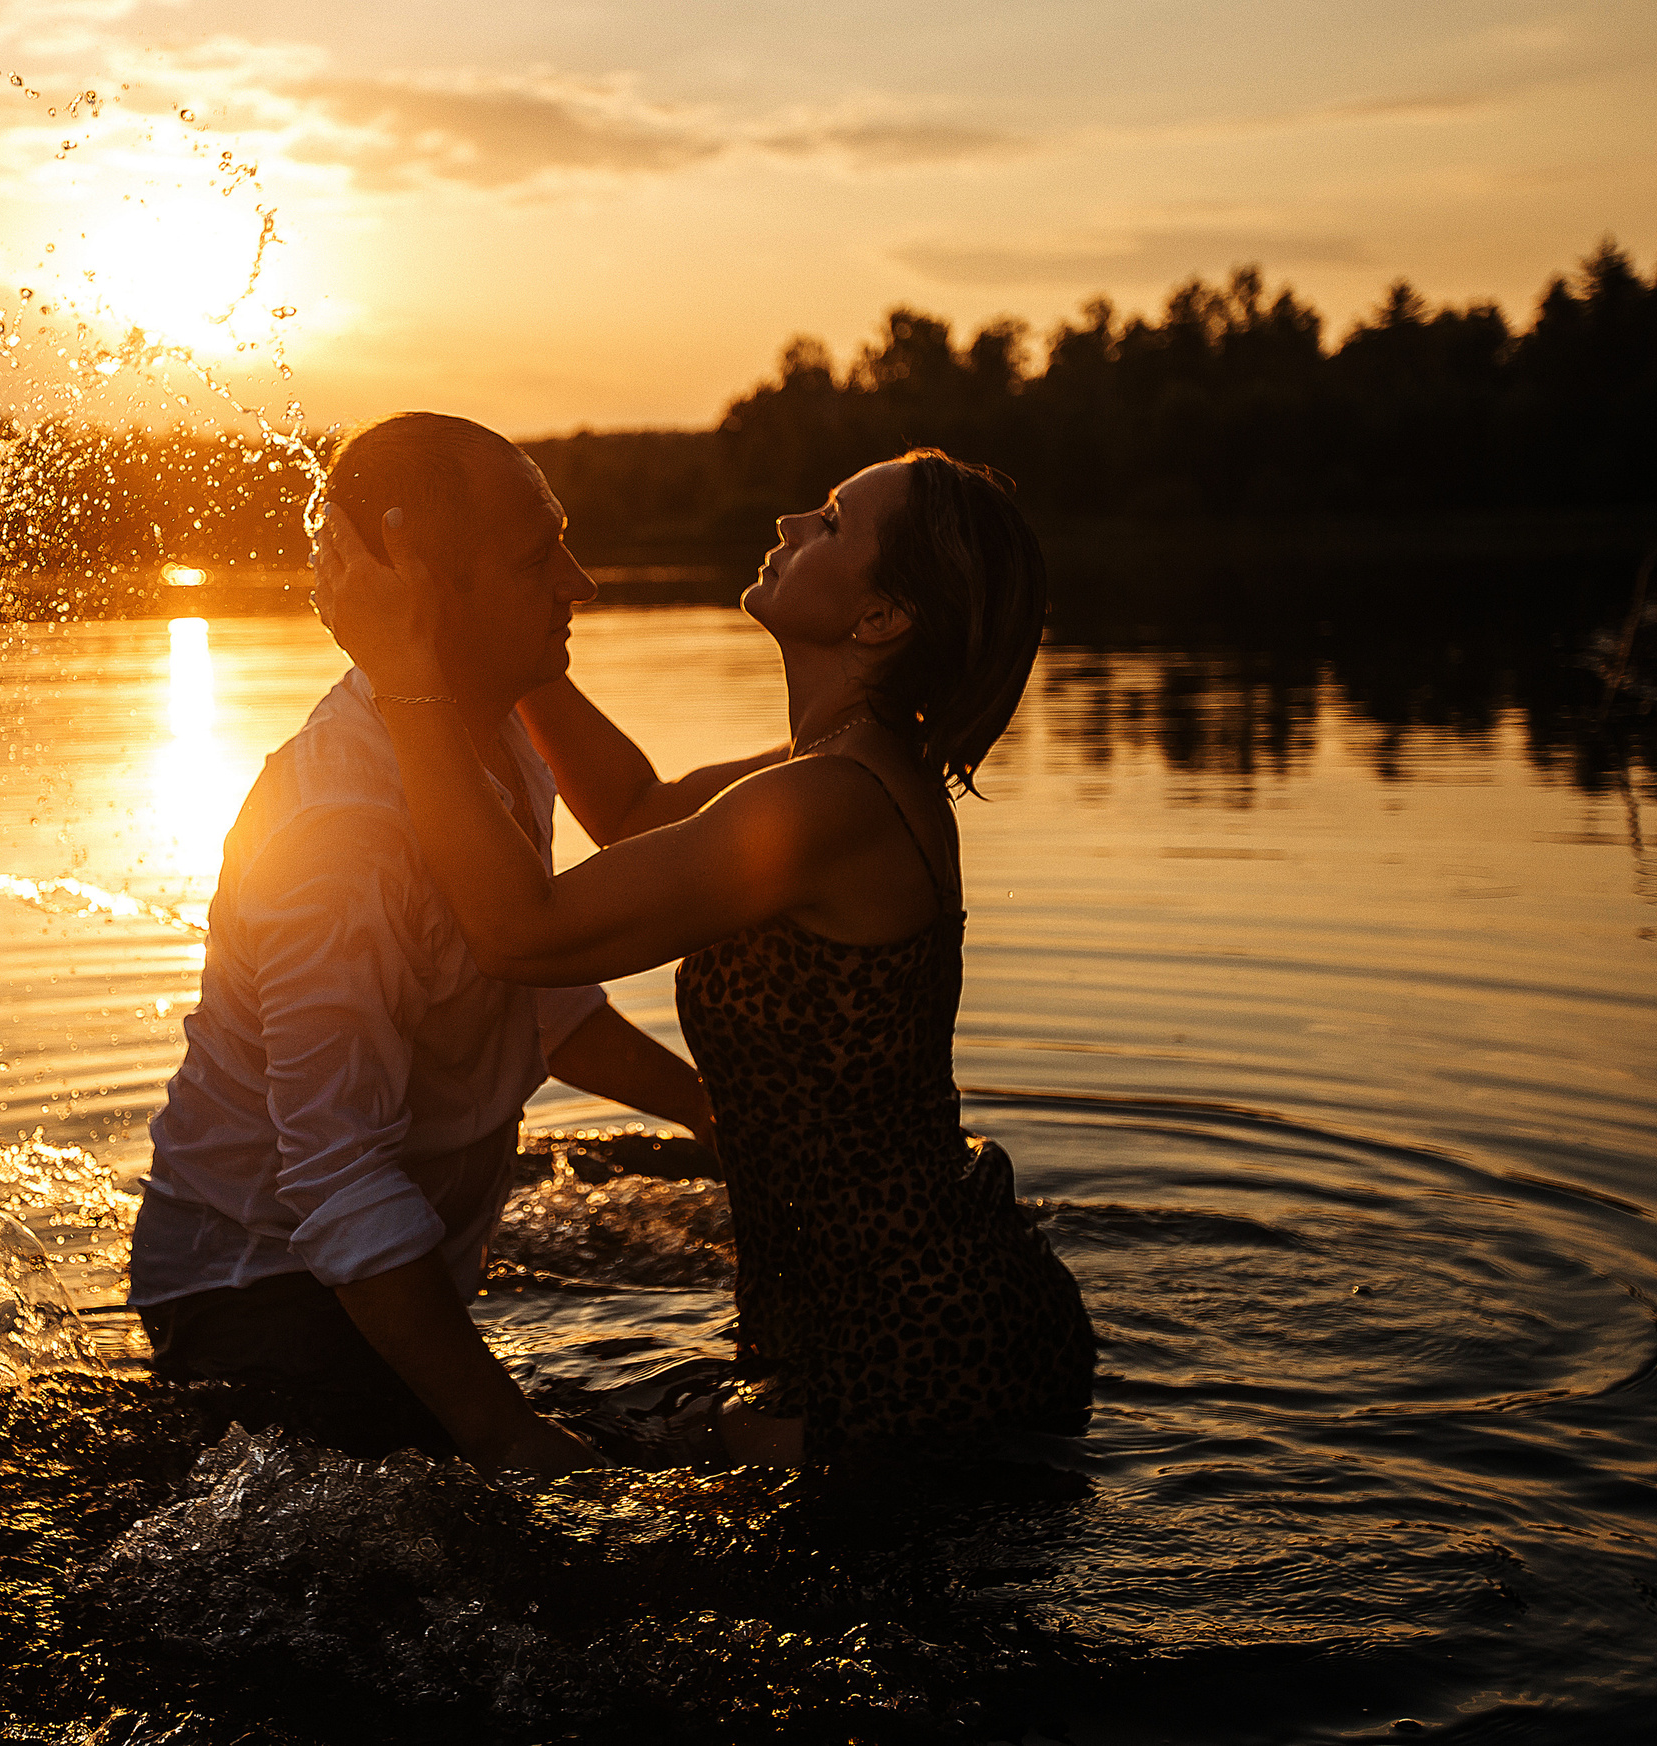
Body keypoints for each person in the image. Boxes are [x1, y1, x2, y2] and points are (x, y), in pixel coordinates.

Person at [318, 447, 1096, 1465]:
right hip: (903, 1324)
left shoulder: (828, 804)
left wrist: (411, 675)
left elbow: (521, 932)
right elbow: (632, 812)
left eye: (827, 522)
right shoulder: (844, 772)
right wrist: (506, 644)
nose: (786, 523)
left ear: (879, 618)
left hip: (917, 1355)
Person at [128, 412, 715, 1477]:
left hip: (382, 1263)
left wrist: (714, 1121)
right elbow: (338, 1176)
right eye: (540, 557)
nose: (578, 583)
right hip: (258, 1292)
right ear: (427, 596)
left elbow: (544, 1002)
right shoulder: (333, 832)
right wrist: (505, 1433)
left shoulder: (488, 736)